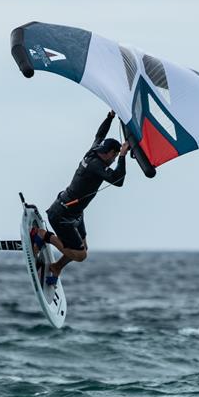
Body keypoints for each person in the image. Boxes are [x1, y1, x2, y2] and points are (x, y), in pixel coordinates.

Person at [31, 110, 129, 285]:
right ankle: (44, 236)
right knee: (80, 255)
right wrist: (123, 156)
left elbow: (100, 135)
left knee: (83, 246)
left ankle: (56, 267)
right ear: (110, 153)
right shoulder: (96, 165)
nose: (114, 160)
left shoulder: (94, 150)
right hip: (62, 214)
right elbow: (118, 180)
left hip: (74, 211)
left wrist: (110, 117)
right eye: (114, 156)